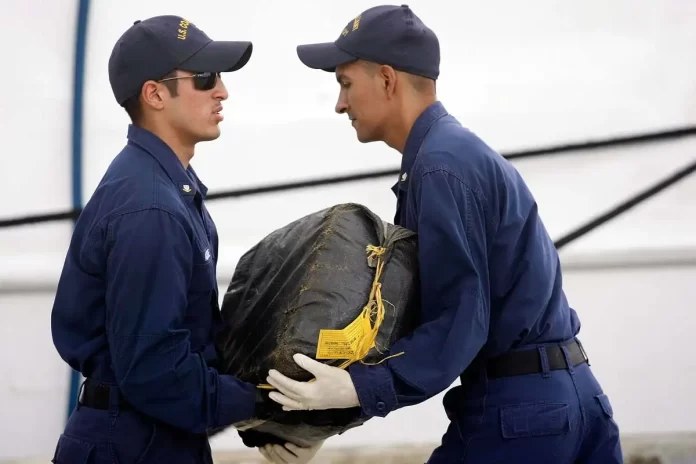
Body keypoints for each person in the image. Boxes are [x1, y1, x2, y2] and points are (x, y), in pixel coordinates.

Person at [263, 5, 623, 463]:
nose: (340, 103)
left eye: (345, 83)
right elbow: (423, 319)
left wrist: (356, 388)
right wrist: (332, 414)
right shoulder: (450, 155)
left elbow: (459, 318)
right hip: (568, 399)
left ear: (388, 80)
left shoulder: (441, 167)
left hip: (522, 416)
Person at [50, 15, 321, 464]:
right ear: (154, 94)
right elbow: (157, 371)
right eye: (204, 78)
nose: (222, 90)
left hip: (156, 431)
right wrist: (267, 402)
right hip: (136, 442)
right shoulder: (151, 208)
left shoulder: (166, 187)